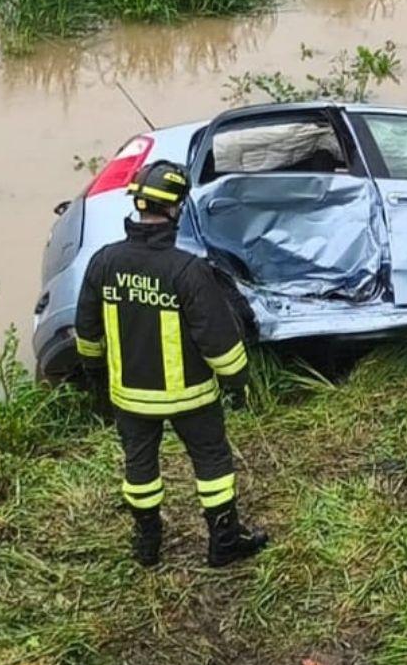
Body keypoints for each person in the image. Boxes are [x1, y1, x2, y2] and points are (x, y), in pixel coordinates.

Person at [74, 160, 268, 568]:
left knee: (139, 470)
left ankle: (147, 547)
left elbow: (87, 334)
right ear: (175, 210)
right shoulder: (187, 270)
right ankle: (224, 543)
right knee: (212, 464)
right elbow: (218, 340)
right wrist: (239, 382)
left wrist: (96, 380)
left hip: (129, 398)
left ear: (138, 207)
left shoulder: (103, 263)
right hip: (192, 396)